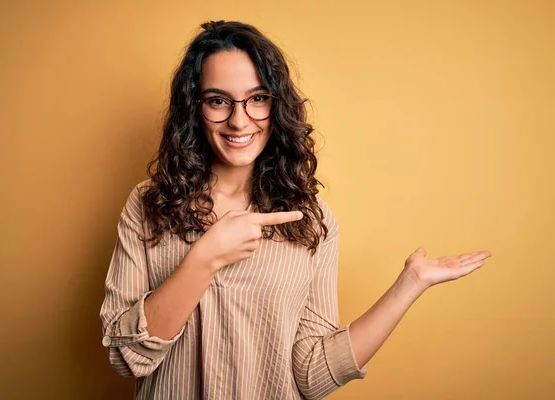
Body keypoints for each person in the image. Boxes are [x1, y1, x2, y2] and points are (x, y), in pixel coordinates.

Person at [99, 20, 492, 400]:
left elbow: (312, 375)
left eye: (257, 99)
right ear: (194, 109)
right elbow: (125, 356)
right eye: (218, 101)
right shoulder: (147, 204)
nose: (239, 120)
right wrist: (204, 258)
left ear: (277, 105)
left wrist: (409, 285)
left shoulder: (311, 221)